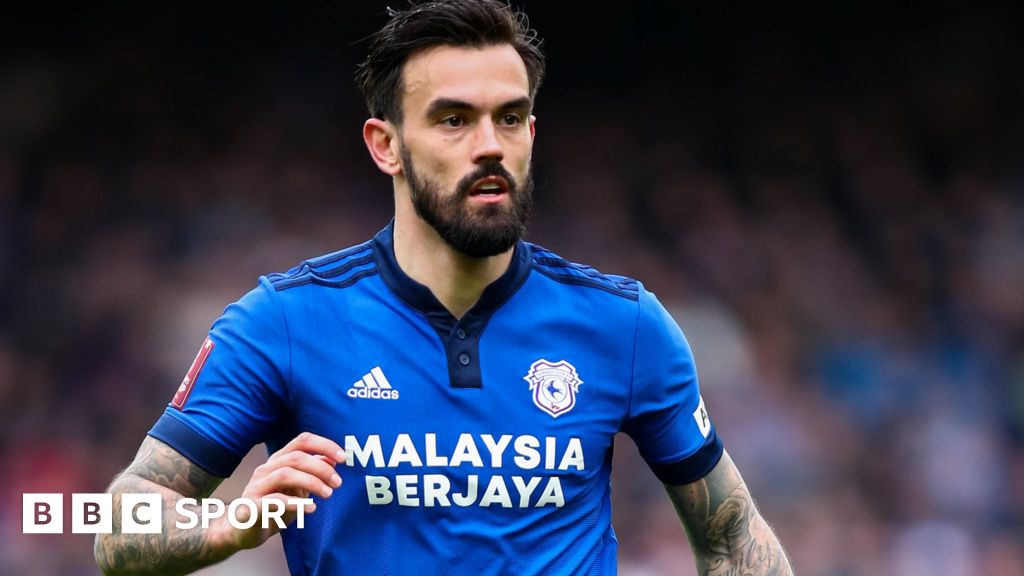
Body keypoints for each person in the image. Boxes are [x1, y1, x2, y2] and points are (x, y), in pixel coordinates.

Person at [95, 1, 794, 574]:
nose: (490, 144)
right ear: (385, 144)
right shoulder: (284, 322)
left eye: (510, 117)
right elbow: (121, 522)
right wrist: (227, 526)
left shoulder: (625, 325)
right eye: (454, 119)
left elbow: (735, 542)